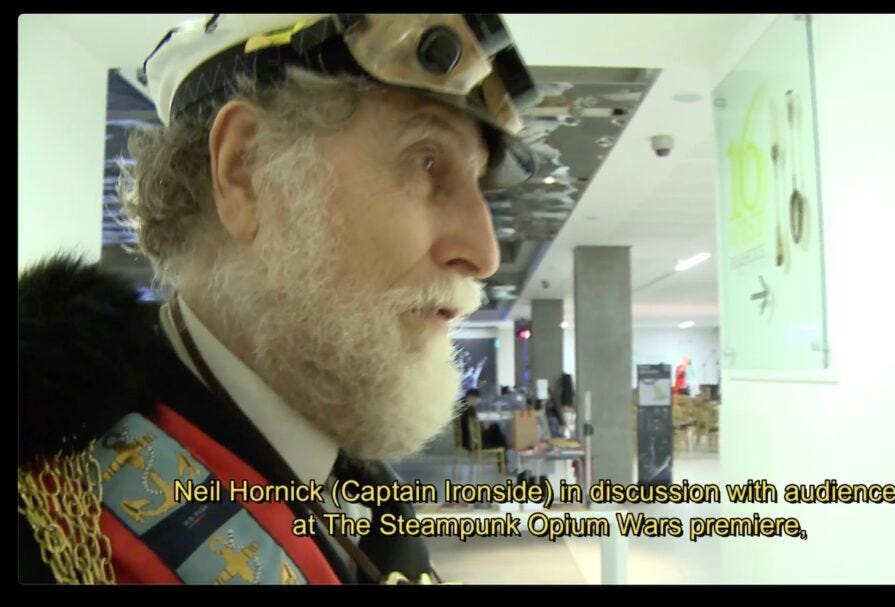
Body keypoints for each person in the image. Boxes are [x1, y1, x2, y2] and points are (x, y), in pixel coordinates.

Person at [18, 14, 539, 585]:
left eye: (476, 184)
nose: (485, 252)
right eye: (425, 161)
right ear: (246, 171)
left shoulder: (354, 486)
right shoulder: (48, 523)